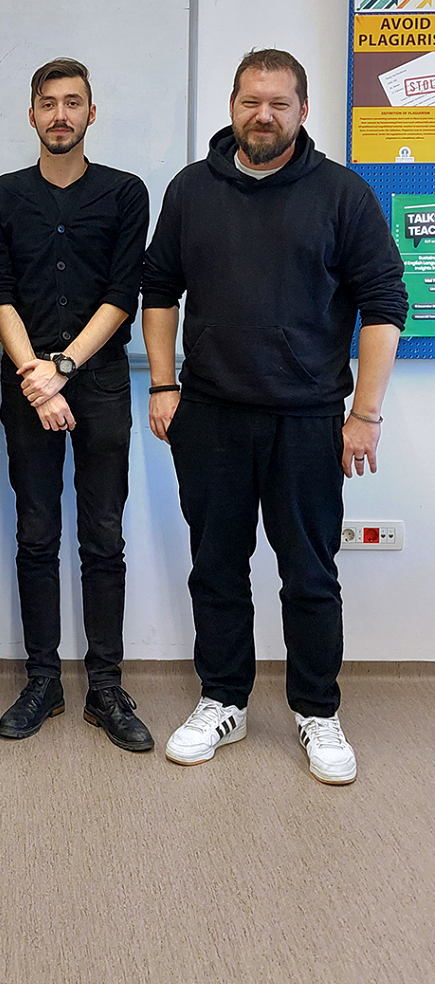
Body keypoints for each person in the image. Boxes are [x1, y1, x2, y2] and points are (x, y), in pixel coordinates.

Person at [142, 48, 407, 785]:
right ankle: (222, 700)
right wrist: (162, 385)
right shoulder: (191, 189)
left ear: (302, 110)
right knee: (216, 569)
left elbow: (385, 304)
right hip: (210, 416)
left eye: (279, 104)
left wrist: (366, 414)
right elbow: (159, 289)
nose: (264, 116)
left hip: (309, 419)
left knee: (310, 575)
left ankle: (317, 711)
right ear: (232, 105)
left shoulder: (343, 194)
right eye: (251, 101)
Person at [0, 57, 153, 751]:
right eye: (48, 103)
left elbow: (122, 293)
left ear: (91, 114)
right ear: (32, 115)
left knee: (103, 535)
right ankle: (43, 681)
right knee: (36, 533)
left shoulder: (125, 193)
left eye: (72, 103)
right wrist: (35, 374)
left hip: (99, 382)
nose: (60, 115)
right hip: (27, 384)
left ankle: (105, 686)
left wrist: (65, 368)